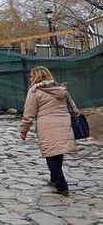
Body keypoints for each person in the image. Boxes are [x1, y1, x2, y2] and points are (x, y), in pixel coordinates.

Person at [19, 66, 77, 196]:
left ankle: (62, 185)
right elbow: (73, 108)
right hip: (64, 124)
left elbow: (29, 114)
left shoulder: (34, 91)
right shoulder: (61, 90)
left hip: (46, 126)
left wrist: (23, 130)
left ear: (37, 77)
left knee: (50, 154)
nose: (30, 78)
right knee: (58, 152)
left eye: (31, 76)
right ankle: (54, 179)